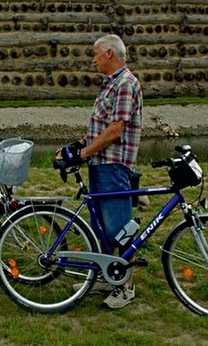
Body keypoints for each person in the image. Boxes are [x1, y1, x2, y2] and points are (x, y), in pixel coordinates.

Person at [60, 34, 142, 309]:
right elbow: (100, 127)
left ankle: (126, 286)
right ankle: (108, 276)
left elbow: (115, 130)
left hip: (113, 163)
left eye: (95, 54)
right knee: (100, 227)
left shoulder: (126, 84)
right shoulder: (111, 84)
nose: (93, 59)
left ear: (109, 54)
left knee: (118, 226)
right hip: (100, 162)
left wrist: (84, 153)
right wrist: (79, 145)